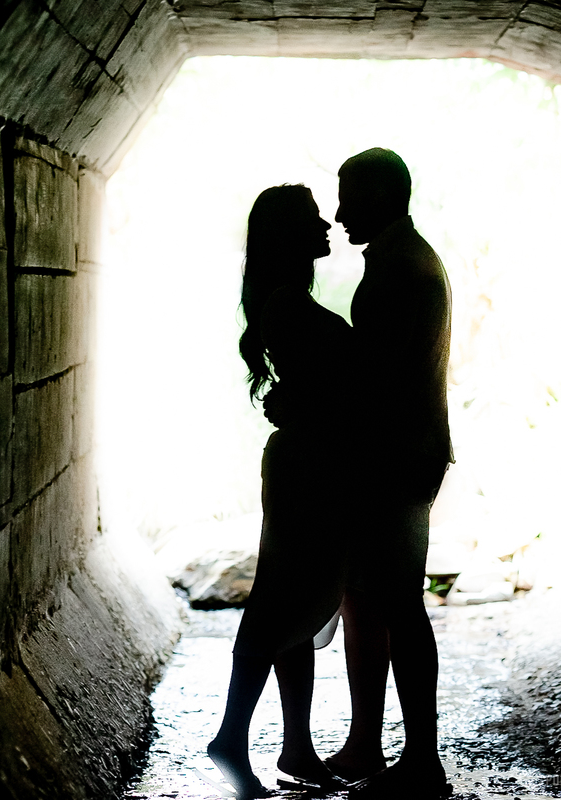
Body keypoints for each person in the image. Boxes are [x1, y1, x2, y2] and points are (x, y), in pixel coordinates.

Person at [206, 184, 354, 799]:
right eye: (311, 218)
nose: (327, 223)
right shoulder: (289, 306)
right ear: (287, 236)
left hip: (311, 461)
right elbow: (325, 393)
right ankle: (232, 739)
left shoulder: (286, 301)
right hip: (310, 467)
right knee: (281, 605)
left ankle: (295, 745)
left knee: (296, 603)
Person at [323, 148, 455, 800]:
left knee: (398, 603)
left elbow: (380, 380)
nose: (339, 211)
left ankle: (423, 760)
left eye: (350, 196)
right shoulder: (401, 260)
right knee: (367, 596)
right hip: (395, 453)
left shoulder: (403, 270)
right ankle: (367, 742)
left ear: (386, 196)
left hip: (396, 459)